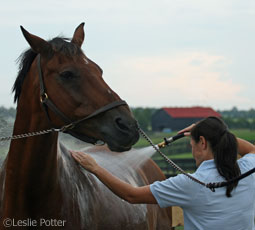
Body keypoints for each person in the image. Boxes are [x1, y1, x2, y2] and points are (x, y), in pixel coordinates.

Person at [71, 116, 255, 230]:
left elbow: (131, 195)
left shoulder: (190, 183)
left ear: (203, 143)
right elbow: (252, 150)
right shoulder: (248, 169)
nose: (192, 153)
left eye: (192, 145)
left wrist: (95, 168)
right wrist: (219, 134)